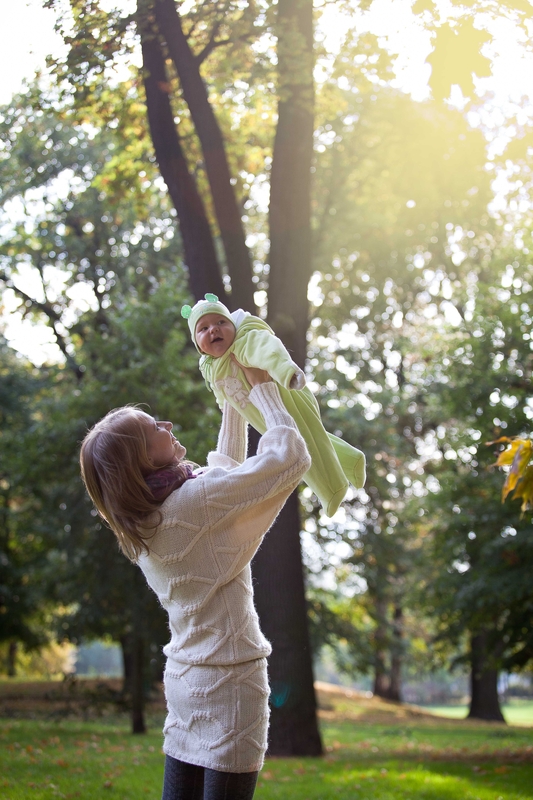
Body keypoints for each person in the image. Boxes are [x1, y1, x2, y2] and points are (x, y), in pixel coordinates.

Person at [79, 360, 311, 800]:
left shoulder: (144, 520)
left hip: (186, 680)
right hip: (232, 684)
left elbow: (222, 476)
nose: (167, 425)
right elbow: (290, 459)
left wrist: (233, 399)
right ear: (144, 457)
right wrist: (263, 389)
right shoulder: (194, 503)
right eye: (155, 428)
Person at [181, 293, 366, 517]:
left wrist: (287, 372)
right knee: (311, 436)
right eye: (203, 328)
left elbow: (269, 350)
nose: (214, 329)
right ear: (199, 347)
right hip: (260, 409)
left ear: (233, 325)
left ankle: (332, 489)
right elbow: (221, 390)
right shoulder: (212, 367)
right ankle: (351, 460)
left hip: (286, 394)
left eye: (221, 322)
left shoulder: (244, 342)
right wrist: (224, 404)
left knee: (300, 442)